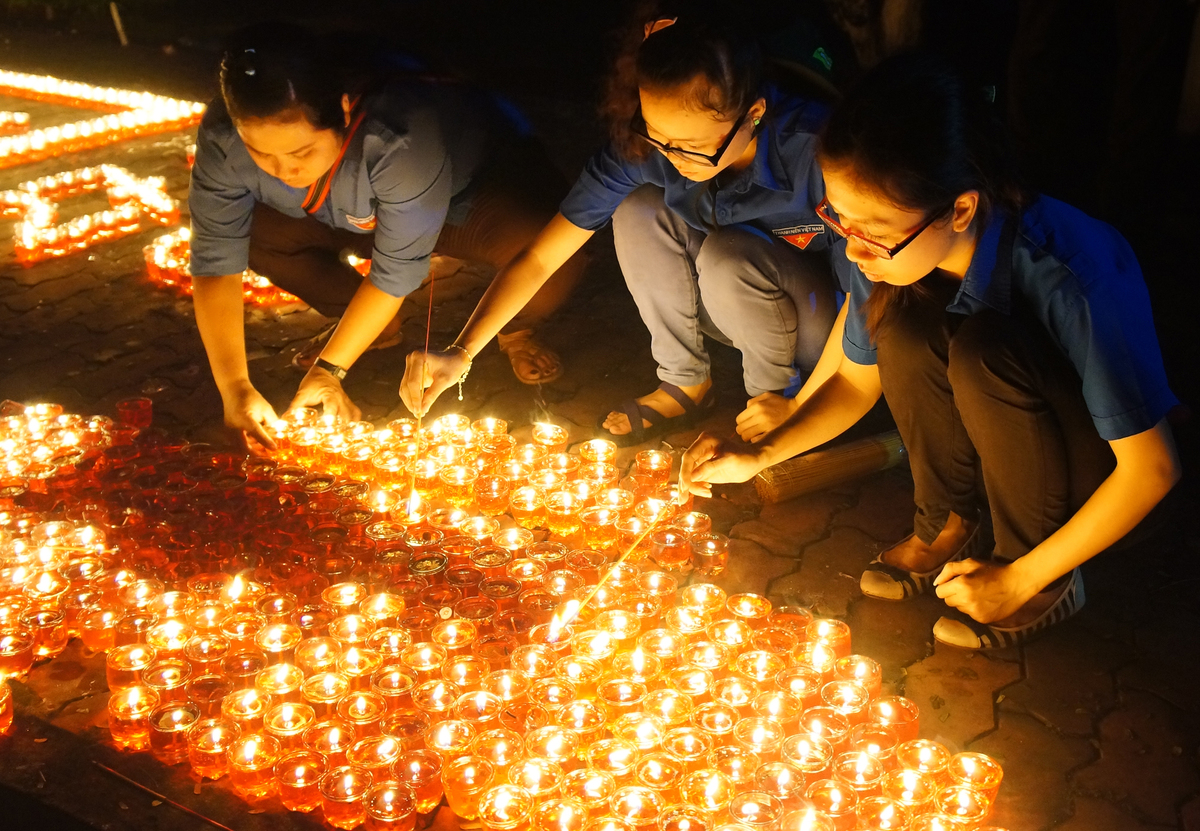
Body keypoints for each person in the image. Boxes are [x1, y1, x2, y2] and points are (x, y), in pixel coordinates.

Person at [682, 53, 1181, 649]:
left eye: (873, 232)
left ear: (961, 208)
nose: (854, 248)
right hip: (1006, 439)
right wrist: (758, 455)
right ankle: (949, 523)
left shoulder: (1069, 271)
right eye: (839, 219)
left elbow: (1153, 470)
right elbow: (855, 381)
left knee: (983, 348)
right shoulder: (881, 245)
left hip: (1104, 473)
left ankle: (1040, 577)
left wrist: (1021, 577)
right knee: (905, 325)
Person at [399, 10, 839, 445]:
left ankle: (775, 398)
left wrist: (806, 407)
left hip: (824, 332)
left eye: (694, 148)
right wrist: (461, 352)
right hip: (735, 307)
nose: (674, 159)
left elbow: (869, 303)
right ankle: (684, 386)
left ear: (754, 113)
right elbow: (540, 257)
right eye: (658, 136)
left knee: (729, 254)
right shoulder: (648, 146)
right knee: (636, 205)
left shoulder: (816, 151)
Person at [189, 22, 585, 447]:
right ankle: (372, 324)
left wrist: (329, 369)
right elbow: (216, 259)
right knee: (254, 233)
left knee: (550, 264)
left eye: (301, 151)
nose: (286, 172)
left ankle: (514, 330)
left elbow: (395, 272)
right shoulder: (223, 137)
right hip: (356, 218)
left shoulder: (399, 137)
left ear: (341, 110)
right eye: (261, 153)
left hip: (466, 206)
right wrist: (235, 388)